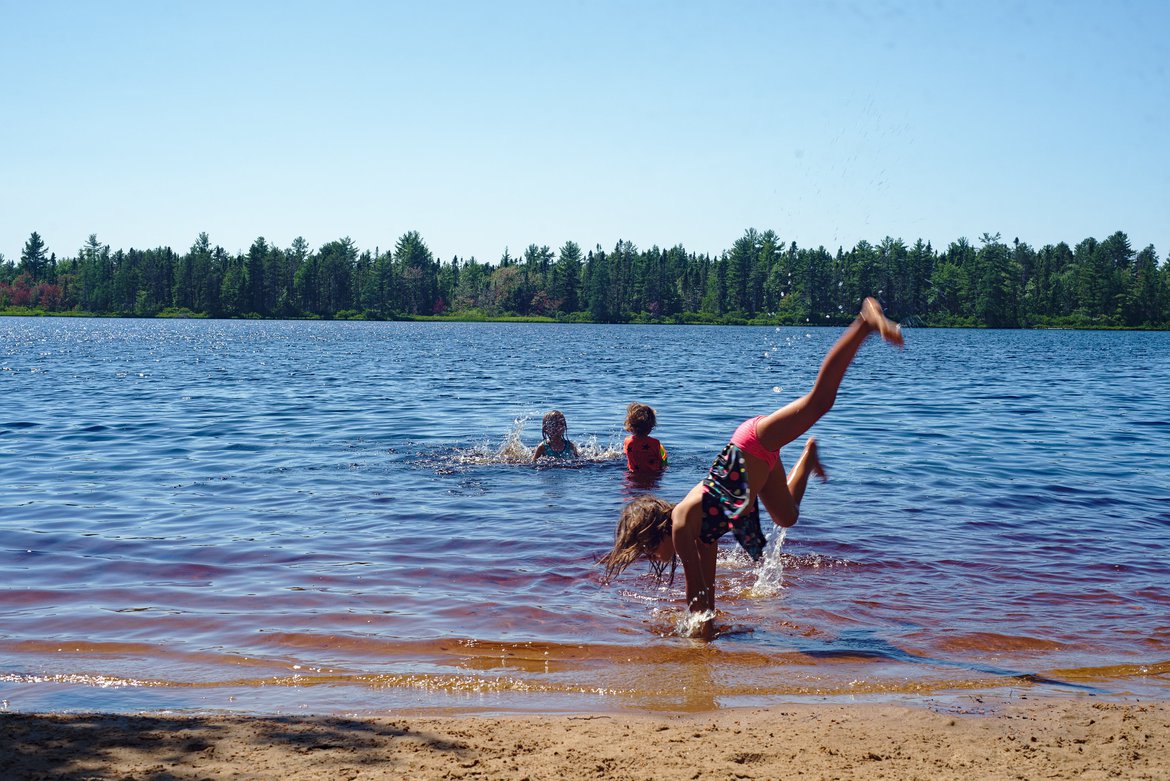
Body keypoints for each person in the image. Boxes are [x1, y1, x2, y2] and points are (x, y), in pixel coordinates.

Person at [600, 297, 903, 635]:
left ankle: (864, 321)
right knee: (786, 517)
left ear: (656, 533)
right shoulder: (703, 531)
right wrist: (707, 628)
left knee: (820, 401)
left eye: (651, 553)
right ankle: (808, 456)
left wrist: (697, 638)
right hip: (760, 467)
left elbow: (694, 592)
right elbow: (707, 592)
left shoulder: (684, 523)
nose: (656, 560)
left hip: (752, 443)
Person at [623, 402, 667, 473]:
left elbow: (626, 453)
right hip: (653, 475)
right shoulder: (655, 443)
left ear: (630, 426)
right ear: (651, 427)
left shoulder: (627, 441)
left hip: (632, 475)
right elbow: (660, 461)